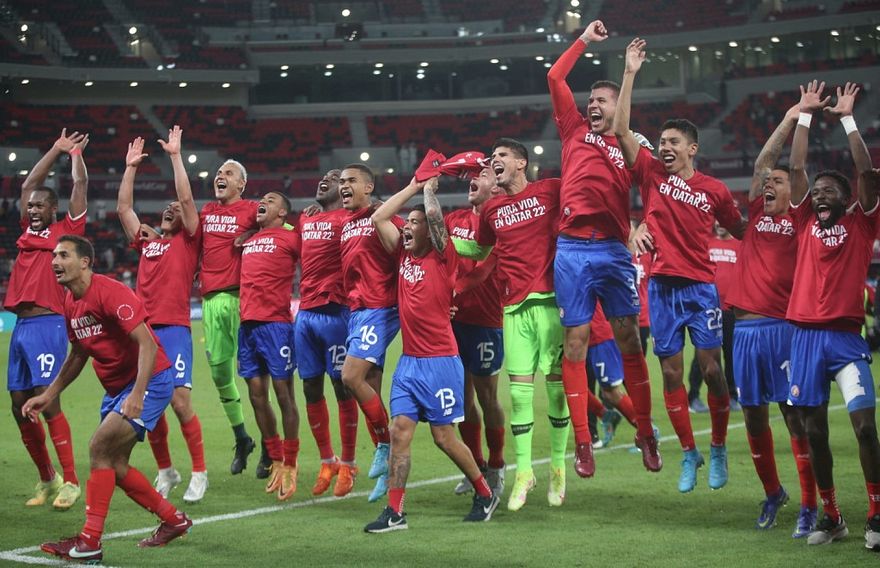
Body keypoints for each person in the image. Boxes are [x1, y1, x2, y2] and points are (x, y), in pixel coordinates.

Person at [615, 38, 745, 493]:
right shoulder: (650, 173)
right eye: (662, 142)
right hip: (662, 290)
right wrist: (630, 72)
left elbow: (743, 231)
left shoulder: (715, 190)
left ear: (693, 148)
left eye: (673, 142)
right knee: (671, 373)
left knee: (712, 371)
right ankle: (689, 452)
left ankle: (718, 447)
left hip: (701, 289)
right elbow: (622, 131)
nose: (665, 147)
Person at [24, 235, 192, 563]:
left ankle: (90, 541)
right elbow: (78, 354)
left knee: (98, 448)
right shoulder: (70, 301)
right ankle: (173, 520)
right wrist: (49, 394)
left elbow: (147, 344)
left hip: (150, 381)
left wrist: (138, 395)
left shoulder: (111, 292)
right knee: (114, 463)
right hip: (117, 390)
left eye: (64, 255)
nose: (55, 261)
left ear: (85, 262)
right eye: (54, 256)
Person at [547, 20, 661, 476]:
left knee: (629, 338)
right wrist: (584, 41)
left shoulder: (632, 146)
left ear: (619, 107)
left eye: (601, 101)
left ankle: (645, 432)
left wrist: (643, 224)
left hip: (613, 250)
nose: (592, 105)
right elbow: (555, 77)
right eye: (590, 100)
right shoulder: (573, 130)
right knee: (574, 344)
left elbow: (655, 193)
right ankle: (583, 442)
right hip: (572, 250)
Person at [364, 175, 499, 533]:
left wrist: (428, 192)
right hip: (409, 363)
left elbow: (438, 222)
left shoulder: (443, 256)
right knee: (399, 432)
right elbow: (379, 218)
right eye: (407, 222)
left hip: (440, 362)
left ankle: (485, 492)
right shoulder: (402, 255)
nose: (407, 227)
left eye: (414, 222)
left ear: (430, 231)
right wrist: (412, 186)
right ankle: (395, 512)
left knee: (444, 438)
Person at [786, 80, 880, 548]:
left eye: (829, 192)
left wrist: (847, 120)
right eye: (816, 192)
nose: (820, 196)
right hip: (804, 339)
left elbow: (867, 173)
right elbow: (796, 166)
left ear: (847, 199)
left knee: (864, 428)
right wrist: (804, 114)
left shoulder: (862, 224)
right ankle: (832, 515)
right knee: (814, 432)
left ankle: (876, 516)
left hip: (844, 340)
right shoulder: (804, 220)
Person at [453, 139, 569, 511]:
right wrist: (442, 237)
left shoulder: (550, 190)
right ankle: (524, 473)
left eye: (502, 156)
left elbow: (586, 198)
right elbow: (479, 251)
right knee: (518, 396)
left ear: (521, 163)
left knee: (556, 392)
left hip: (550, 303)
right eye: (493, 157)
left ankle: (558, 467)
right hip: (513, 309)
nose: (495, 160)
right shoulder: (491, 211)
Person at [724, 103, 818, 537]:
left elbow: (793, 169)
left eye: (777, 182)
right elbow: (763, 163)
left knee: (794, 416)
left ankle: (810, 504)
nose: (768, 184)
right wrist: (788, 117)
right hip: (743, 332)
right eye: (767, 182)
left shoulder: (800, 220)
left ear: (793, 190)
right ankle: (773, 492)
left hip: (781, 329)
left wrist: (803, 121)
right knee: (753, 417)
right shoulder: (757, 215)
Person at [116, 128, 207, 503]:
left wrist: (175, 156)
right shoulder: (148, 243)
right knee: (152, 404)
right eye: (166, 208)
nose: (171, 209)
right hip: (143, 334)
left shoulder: (189, 240)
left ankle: (199, 473)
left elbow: (185, 197)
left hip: (174, 330)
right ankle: (167, 470)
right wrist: (130, 168)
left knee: (180, 402)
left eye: (176, 209)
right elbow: (124, 210)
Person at [6, 129, 88, 510]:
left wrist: (74, 157)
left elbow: (80, 185)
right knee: (18, 404)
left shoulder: (65, 233)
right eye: (32, 206)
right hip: (21, 327)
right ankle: (48, 478)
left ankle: (72, 480)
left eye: (41, 206)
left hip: (48, 324)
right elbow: (28, 185)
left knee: (47, 401)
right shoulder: (27, 231)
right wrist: (55, 147)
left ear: (54, 210)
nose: (34, 209)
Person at [338, 163, 404, 502]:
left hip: (380, 306)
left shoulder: (383, 216)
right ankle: (389, 471)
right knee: (370, 391)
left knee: (350, 376)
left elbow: (409, 246)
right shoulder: (346, 223)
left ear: (368, 187)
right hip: (357, 310)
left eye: (351, 181)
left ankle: (384, 445)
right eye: (341, 181)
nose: (343, 186)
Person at [296, 169, 360, 497]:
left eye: (335, 177)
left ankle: (348, 463)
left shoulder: (350, 219)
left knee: (342, 387)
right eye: (323, 176)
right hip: (305, 313)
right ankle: (327, 460)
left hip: (336, 311)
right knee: (310, 387)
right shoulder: (305, 219)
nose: (325, 179)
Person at [445, 167, 507, 496]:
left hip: (485, 320)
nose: (475, 178)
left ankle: (497, 465)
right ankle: (477, 468)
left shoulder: (501, 222)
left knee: (487, 397)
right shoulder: (453, 219)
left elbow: (483, 271)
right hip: (453, 321)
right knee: (462, 400)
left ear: (496, 187)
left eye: (484, 174)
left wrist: (450, 292)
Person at [239, 191, 302, 501]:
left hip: (276, 325)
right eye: (262, 199)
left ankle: (291, 462)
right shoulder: (249, 239)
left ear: (283, 213)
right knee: (255, 395)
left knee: (283, 393)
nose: (263, 201)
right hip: (247, 324)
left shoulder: (291, 237)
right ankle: (275, 457)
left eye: (271, 199)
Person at [200, 158, 260, 475]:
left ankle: (271, 446)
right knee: (220, 377)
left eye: (228, 173)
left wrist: (252, 230)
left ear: (241, 184)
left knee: (256, 377)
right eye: (219, 172)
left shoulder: (251, 208)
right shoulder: (207, 212)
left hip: (242, 299)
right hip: (211, 302)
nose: (220, 176)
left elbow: (284, 226)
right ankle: (242, 438)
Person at [687, 225, 740, 413]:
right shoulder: (706, 243)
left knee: (730, 354)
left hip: (730, 309)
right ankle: (693, 396)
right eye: (716, 221)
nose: (719, 224)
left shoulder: (739, 244)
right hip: (707, 308)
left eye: (722, 221)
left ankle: (732, 396)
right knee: (703, 353)